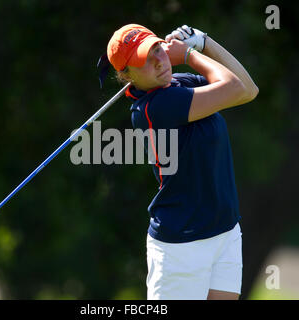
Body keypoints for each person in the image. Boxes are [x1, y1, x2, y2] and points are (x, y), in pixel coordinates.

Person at [106, 24, 258, 300]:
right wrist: (189, 53)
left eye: (156, 49)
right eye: (144, 60)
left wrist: (205, 41)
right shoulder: (153, 108)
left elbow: (249, 89)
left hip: (224, 231)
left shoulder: (181, 83)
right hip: (182, 246)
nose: (158, 61)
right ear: (127, 76)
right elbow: (235, 88)